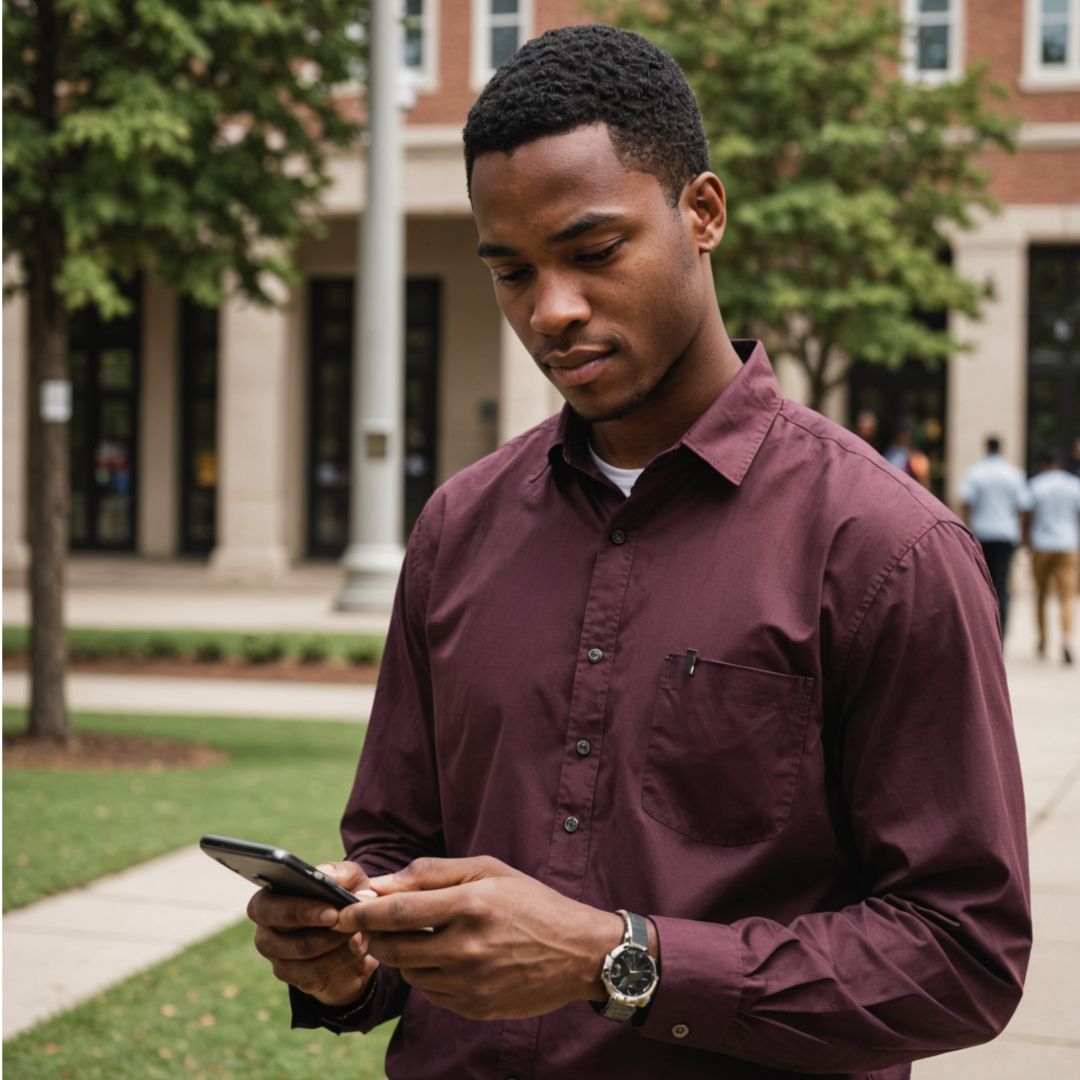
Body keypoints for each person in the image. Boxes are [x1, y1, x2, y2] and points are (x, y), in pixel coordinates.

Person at [248, 26, 1030, 1079]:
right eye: (512, 271)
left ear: (702, 213)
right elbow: (398, 848)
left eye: (594, 251)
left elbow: (962, 954)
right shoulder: (457, 527)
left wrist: (615, 959)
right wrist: (351, 958)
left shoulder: (886, 548)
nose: (552, 311)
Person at [959, 435, 1031, 635]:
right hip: (1006, 534)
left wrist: (967, 527)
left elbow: (966, 502)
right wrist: (1023, 535)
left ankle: (982, 628)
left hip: (982, 533)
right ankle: (1001, 631)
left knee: (981, 582)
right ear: (1001, 449)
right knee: (1001, 583)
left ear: (986, 448)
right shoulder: (1013, 474)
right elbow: (1023, 506)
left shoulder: (975, 472)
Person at [1025, 448, 1080, 665]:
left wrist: (1026, 541)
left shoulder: (1036, 484)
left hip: (1042, 544)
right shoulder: (1073, 484)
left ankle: (1043, 639)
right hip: (1067, 544)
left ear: (1043, 465)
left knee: (1040, 594)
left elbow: (1027, 514)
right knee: (1067, 596)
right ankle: (1066, 638)